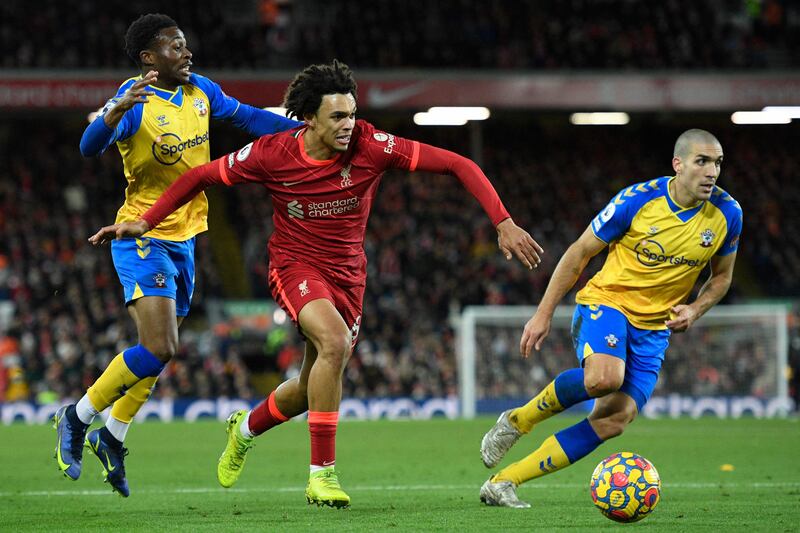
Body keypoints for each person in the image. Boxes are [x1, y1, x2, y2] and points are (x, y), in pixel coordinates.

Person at [89, 59, 543, 508]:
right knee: (334, 343)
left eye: (352, 114)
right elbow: (199, 176)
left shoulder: (372, 145)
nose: (349, 124)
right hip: (296, 266)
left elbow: (458, 164)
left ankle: (244, 428)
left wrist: (502, 222)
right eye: (337, 116)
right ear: (308, 118)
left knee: (311, 387)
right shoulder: (273, 153)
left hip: (349, 275)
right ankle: (321, 476)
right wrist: (145, 220)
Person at [53, 13, 299, 497]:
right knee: (161, 346)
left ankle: (114, 435)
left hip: (187, 237)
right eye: (175, 47)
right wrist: (113, 111)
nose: (187, 53)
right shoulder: (135, 98)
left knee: (160, 353)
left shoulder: (201, 90)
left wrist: (300, 132)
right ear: (149, 58)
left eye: (186, 45)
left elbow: (248, 117)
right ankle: (77, 417)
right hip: (141, 234)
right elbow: (88, 147)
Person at [478, 128, 742, 508]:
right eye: (702, 161)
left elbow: (722, 278)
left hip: (655, 328)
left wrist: (695, 309)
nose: (712, 171)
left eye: (717, 162)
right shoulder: (637, 201)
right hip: (608, 302)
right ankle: (518, 421)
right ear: (678, 164)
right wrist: (543, 313)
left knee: (613, 420)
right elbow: (580, 252)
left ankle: (505, 481)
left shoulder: (727, 214)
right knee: (604, 378)